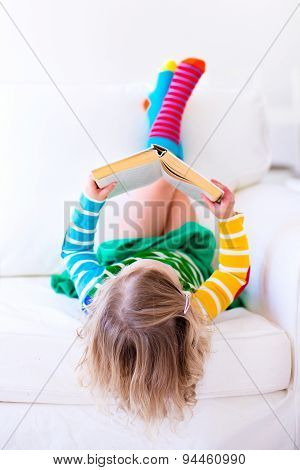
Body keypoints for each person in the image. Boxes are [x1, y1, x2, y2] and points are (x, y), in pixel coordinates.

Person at [55, 58, 250, 424]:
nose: (150, 261)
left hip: (134, 238)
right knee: (178, 180)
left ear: (112, 283)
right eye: (159, 273)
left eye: (132, 271)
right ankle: (162, 107)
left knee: (162, 175)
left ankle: (164, 107)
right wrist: (226, 219)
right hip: (186, 247)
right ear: (183, 300)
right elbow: (235, 270)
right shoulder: (195, 311)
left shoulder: (97, 297)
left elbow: (75, 250)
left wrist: (91, 202)